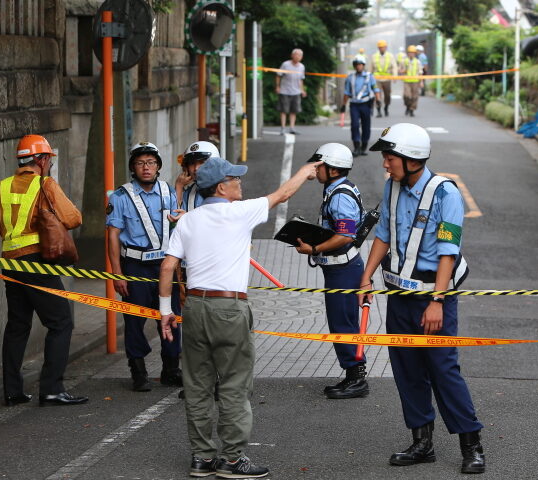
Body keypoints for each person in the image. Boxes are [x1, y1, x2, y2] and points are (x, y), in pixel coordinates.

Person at [158, 156, 321, 478]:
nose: (240, 184)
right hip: (229, 308)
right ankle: (232, 459)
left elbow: (166, 266)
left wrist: (165, 312)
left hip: (194, 307)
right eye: (235, 179)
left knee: (198, 384)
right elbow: (282, 195)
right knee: (233, 384)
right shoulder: (239, 213)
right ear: (221, 186)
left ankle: (202, 457)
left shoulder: (188, 221)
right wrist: (305, 171)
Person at [359, 123, 486, 474]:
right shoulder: (391, 188)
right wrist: (366, 276)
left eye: (390, 157)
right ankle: (422, 442)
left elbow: (448, 251)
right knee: (407, 370)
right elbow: (383, 234)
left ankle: (471, 443)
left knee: (443, 369)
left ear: (411, 158)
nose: (385, 163)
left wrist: (438, 302)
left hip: (433, 297)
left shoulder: (446, 194)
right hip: (398, 295)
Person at [0, 134, 88, 407]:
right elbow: (73, 218)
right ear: (42, 160)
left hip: (10, 262)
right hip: (37, 261)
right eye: (47, 158)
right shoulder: (44, 184)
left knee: (17, 325)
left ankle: (13, 391)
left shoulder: (2, 187)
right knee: (61, 322)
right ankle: (51, 388)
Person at [106, 142, 183, 392]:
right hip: (135, 265)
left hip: (165, 266)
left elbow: (175, 228)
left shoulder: (167, 191)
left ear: (158, 166)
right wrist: (117, 274)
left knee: (171, 317)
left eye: (151, 162)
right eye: (140, 163)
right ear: (133, 167)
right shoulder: (120, 197)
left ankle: (171, 369)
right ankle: (138, 371)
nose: (146, 167)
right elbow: (113, 235)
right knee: (135, 320)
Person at [295, 143, 368, 399]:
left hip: (344, 269)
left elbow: (345, 235)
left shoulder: (339, 195)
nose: (317, 169)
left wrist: (314, 248)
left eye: (320, 165)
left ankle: (356, 378)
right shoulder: (336, 188)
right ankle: (352, 374)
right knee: (342, 321)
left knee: (344, 322)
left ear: (333, 169)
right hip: (341, 269)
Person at [340, 55, 380, 157]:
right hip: (354, 105)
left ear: (363, 65)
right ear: (354, 66)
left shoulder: (369, 76)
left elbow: (375, 89)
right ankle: (356, 147)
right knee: (354, 125)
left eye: (360, 65)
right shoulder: (350, 78)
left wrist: (378, 100)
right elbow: (346, 92)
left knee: (366, 125)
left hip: (366, 104)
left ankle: (364, 146)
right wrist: (343, 105)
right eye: (356, 65)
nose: (358, 67)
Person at [175, 141, 220, 211]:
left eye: (202, 162)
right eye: (192, 163)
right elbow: (176, 215)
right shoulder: (189, 193)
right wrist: (179, 186)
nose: (196, 168)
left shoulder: (226, 188)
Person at [275, 48, 307, 135]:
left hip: (296, 91)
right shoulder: (285, 64)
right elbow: (278, 75)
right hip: (284, 90)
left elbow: (301, 79)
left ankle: (292, 128)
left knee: (294, 111)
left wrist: (302, 90)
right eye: (296, 54)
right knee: (283, 110)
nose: (298, 56)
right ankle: (283, 128)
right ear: (292, 55)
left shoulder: (302, 67)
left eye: (300, 55)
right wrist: (278, 87)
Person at [373, 40, 397, 118]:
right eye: (380, 47)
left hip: (387, 79)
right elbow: (371, 68)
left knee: (387, 95)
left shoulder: (390, 56)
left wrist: (394, 77)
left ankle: (386, 107)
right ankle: (379, 110)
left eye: (383, 47)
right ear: (378, 48)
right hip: (377, 79)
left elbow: (394, 67)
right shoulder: (374, 56)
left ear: (386, 48)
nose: (381, 49)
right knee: (377, 95)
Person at [401, 46, 424, 117]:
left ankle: (412, 109)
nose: (411, 54)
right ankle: (407, 106)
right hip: (407, 81)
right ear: (408, 53)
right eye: (410, 53)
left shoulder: (417, 62)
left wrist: (421, 82)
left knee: (414, 96)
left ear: (415, 54)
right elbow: (400, 70)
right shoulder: (404, 61)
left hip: (415, 81)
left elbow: (420, 72)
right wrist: (403, 71)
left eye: (413, 53)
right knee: (406, 96)